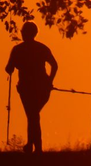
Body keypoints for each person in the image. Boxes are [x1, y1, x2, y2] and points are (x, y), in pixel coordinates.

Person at [5, 21, 58, 152]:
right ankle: (33, 146)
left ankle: (35, 147)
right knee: (33, 115)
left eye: (23, 32)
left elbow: (8, 68)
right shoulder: (42, 48)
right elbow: (55, 65)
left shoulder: (18, 50)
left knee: (32, 114)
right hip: (42, 88)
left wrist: (14, 66)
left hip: (27, 88)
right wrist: (49, 81)